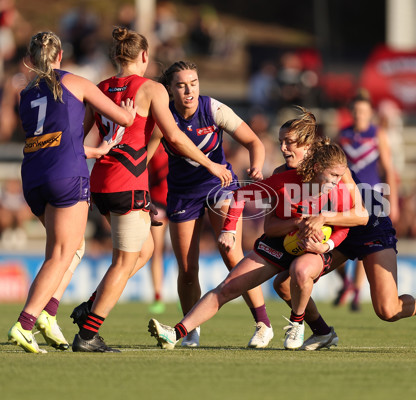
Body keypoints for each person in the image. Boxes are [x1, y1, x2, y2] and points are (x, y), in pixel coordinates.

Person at [70, 27, 233, 353]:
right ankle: (88, 333)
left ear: (116, 56)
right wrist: (211, 164)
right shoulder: (151, 88)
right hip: (127, 181)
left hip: (101, 180)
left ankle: (89, 304)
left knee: (142, 252)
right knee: (123, 260)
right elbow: (173, 137)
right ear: (144, 56)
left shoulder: (100, 87)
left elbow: (79, 137)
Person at [269, 109, 416, 350]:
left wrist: (323, 218)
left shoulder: (332, 164)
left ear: (307, 145)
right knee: (284, 283)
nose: (283, 148)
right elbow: (277, 220)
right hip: (338, 234)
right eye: (281, 143)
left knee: (387, 310)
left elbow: (360, 215)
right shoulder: (281, 175)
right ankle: (322, 332)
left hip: (369, 227)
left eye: (289, 143)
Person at [148, 140, 354, 350]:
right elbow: (240, 196)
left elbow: (344, 227)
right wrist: (229, 229)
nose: (339, 181)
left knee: (299, 271)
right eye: (334, 176)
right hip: (279, 243)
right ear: (318, 168)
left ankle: (297, 323)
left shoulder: (339, 192)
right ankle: (174, 333)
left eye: (340, 176)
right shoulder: (285, 181)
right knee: (227, 288)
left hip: (315, 249)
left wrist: (326, 247)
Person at [7, 31, 135, 353]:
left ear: (32, 58)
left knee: (71, 248)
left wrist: (94, 151)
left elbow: (54, 140)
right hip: (66, 176)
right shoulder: (76, 82)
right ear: (60, 55)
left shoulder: (24, 93)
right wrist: (130, 115)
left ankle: (49, 315)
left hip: (34, 177)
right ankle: (25, 324)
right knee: (61, 254)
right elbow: (121, 117)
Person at [151, 60, 271, 348]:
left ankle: (263, 324)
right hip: (181, 194)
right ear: (170, 89)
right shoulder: (163, 117)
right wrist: (140, 193)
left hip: (220, 185)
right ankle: (191, 330)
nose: (188, 90)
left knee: (230, 252)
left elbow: (254, 142)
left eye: (193, 83)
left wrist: (256, 166)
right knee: (188, 270)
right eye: (181, 85)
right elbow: (143, 159)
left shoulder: (213, 109)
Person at [334, 90, 399, 311]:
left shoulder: (377, 133)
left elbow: (388, 168)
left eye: (363, 110)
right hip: (347, 194)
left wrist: (393, 200)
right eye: (355, 110)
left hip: (373, 194)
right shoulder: (342, 134)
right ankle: (347, 282)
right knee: (335, 236)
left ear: (370, 112)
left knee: (367, 242)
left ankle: (357, 292)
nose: (359, 114)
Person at [147, 141, 169, 314]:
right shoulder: (154, 142)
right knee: (157, 249)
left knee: (183, 251)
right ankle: (157, 296)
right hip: (159, 200)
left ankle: (185, 292)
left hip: (179, 197)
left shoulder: (181, 137)